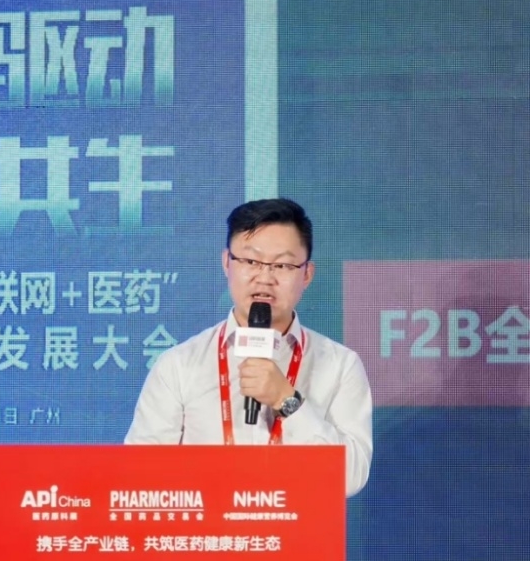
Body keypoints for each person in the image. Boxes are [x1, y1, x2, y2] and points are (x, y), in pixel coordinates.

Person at [125, 198, 372, 496]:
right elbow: (139, 475)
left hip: (297, 525)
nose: (264, 278)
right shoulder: (179, 365)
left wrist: (286, 401)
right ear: (226, 263)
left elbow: (350, 478)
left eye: (282, 265)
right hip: (209, 524)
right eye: (251, 262)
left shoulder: (340, 365)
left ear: (307, 274)